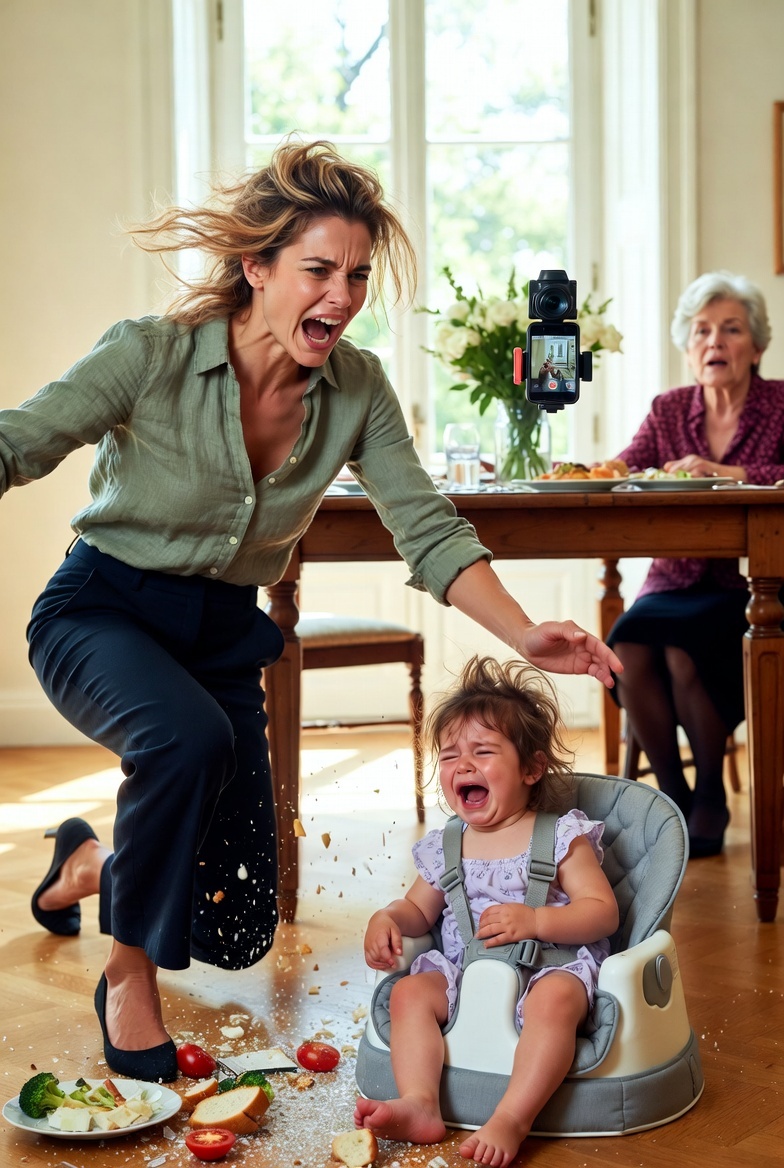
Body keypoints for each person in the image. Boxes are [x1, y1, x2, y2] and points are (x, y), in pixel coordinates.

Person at [3, 139, 621, 1084]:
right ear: (257, 268)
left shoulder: (356, 388)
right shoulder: (152, 354)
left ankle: (93, 866)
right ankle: (127, 977)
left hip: (219, 640)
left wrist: (528, 634)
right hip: (102, 611)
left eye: (358, 275)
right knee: (185, 743)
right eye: (318, 270)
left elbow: (427, 526)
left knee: (242, 924)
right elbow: (20, 440)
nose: (340, 294)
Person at [356, 656, 619, 1167]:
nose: (463, 766)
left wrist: (537, 920)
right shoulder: (446, 845)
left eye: (482, 752)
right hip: (462, 970)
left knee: (556, 1004)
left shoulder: (561, 836)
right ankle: (420, 1102)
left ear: (531, 768)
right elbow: (417, 908)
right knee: (410, 992)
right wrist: (386, 918)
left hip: (548, 967)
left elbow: (602, 912)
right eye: (450, 755)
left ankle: (512, 1118)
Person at [607, 270, 784, 857]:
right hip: (672, 580)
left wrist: (730, 473)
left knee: (686, 651)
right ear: (688, 349)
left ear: (756, 346)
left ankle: (712, 794)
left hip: (754, 584)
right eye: (703, 331)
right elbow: (626, 468)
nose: (716, 342)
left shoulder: (780, 404)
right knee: (628, 648)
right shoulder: (668, 410)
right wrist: (592, 469)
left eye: (731, 330)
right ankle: (675, 800)